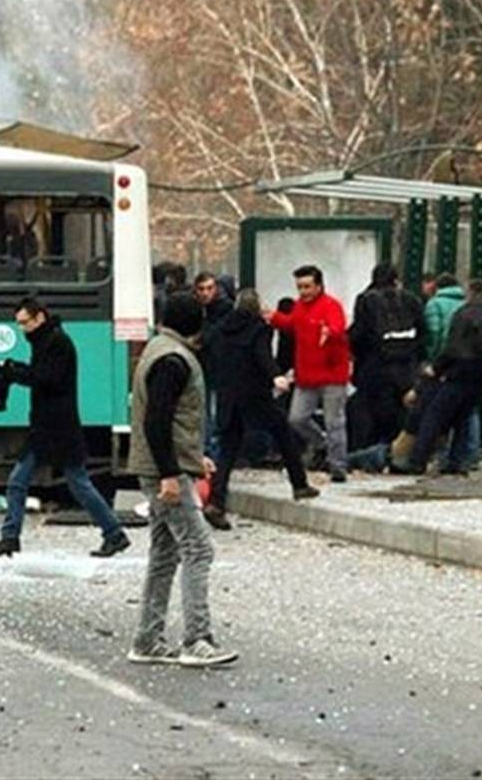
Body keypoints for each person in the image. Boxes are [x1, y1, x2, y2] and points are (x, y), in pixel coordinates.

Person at [126, 292, 237, 667]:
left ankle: (148, 639)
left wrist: (191, 457)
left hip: (157, 466)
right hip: (164, 472)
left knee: (164, 553)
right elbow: (158, 421)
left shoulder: (158, 350)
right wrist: (171, 473)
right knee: (198, 548)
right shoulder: (174, 361)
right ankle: (197, 639)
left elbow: (168, 421)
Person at [0, 297, 130, 558]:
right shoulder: (49, 340)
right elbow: (43, 375)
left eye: (25, 323)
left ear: (39, 317)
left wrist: (14, 373)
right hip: (50, 426)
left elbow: (47, 379)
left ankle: (114, 533)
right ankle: (10, 536)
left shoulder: (56, 342)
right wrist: (17, 369)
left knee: (70, 483)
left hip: (56, 428)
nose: (22, 329)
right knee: (33, 482)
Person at [206, 290, 318, 529]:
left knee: (227, 450)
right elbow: (262, 355)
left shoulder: (221, 329)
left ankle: (216, 502)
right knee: (283, 434)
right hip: (255, 394)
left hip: (228, 395)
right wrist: (276, 375)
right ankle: (299, 484)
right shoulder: (259, 329)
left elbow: (211, 354)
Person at [395, 280, 482, 474]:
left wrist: (437, 367)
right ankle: (459, 461)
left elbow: (453, 347)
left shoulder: (463, 314)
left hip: (458, 372)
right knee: (463, 418)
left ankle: (417, 460)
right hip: (479, 376)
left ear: (470, 293)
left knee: (435, 416)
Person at [269, 265, 352, 482]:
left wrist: (330, 332)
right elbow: (290, 324)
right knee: (297, 418)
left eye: (307, 287)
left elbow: (338, 326)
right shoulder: (299, 307)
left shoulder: (331, 306)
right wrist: (273, 317)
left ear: (319, 286)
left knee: (335, 421)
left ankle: (338, 466)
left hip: (332, 374)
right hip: (307, 374)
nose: (303, 292)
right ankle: (322, 444)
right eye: (300, 287)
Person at [348, 263, 424, 449]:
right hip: (406, 369)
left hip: (374, 368)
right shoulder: (412, 300)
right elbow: (423, 333)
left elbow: (359, 335)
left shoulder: (366, 300)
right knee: (400, 414)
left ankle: (371, 452)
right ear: (396, 279)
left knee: (370, 414)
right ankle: (396, 451)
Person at [193, 271, 234, 460]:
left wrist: (201, 339)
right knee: (206, 411)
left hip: (218, 366)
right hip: (205, 365)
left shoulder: (224, 309)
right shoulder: (201, 310)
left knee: (213, 412)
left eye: (209, 288)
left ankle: (213, 452)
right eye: (201, 289)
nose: (205, 293)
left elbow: (215, 335)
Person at [423, 274, 464, 362]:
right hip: (462, 356)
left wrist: (430, 356)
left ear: (437, 287)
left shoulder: (434, 304)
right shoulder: (465, 303)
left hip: (442, 356)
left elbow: (434, 333)